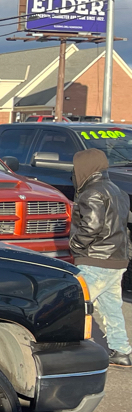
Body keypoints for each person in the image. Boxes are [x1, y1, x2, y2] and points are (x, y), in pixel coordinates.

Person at [70, 148, 132, 366]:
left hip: (95, 260)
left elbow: (91, 226)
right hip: (117, 260)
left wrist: (74, 245)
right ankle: (121, 351)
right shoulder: (118, 191)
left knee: (75, 305)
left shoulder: (92, 193)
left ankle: (69, 350)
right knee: (112, 308)